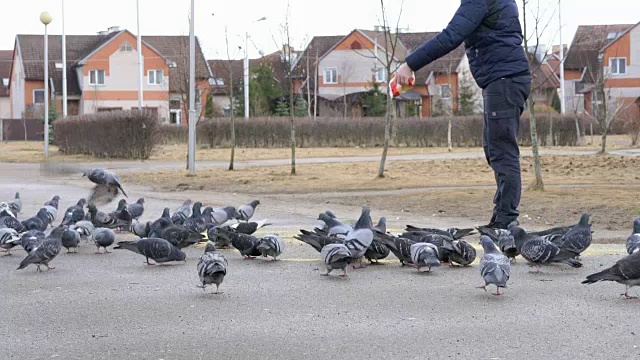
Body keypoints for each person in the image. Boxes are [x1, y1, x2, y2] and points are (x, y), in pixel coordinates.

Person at [394, 0, 531, 229]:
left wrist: (410, 64)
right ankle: (501, 218)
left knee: (502, 152)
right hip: (502, 80)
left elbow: (452, 35)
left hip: (504, 80)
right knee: (494, 149)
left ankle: (506, 222)